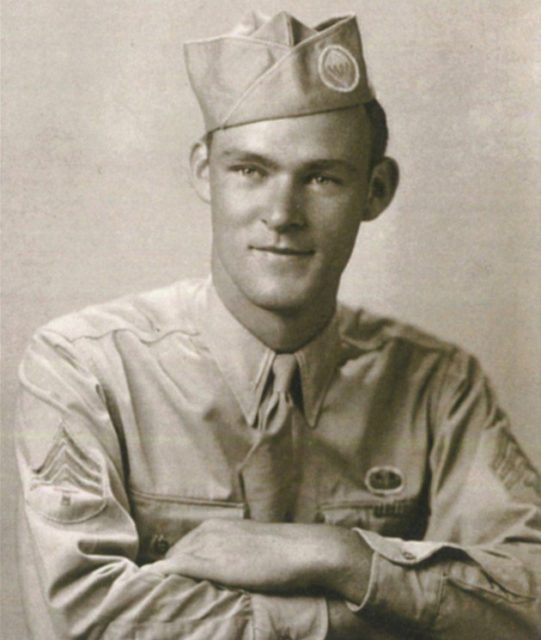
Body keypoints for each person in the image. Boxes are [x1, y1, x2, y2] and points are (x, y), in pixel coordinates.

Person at [15, 11, 540, 640]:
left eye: (321, 178)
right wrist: (364, 615)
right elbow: (83, 619)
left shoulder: (437, 385)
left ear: (376, 191)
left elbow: (529, 601)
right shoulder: (85, 367)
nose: (282, 214)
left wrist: (334, 554)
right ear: (205, 172)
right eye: (250, 171)